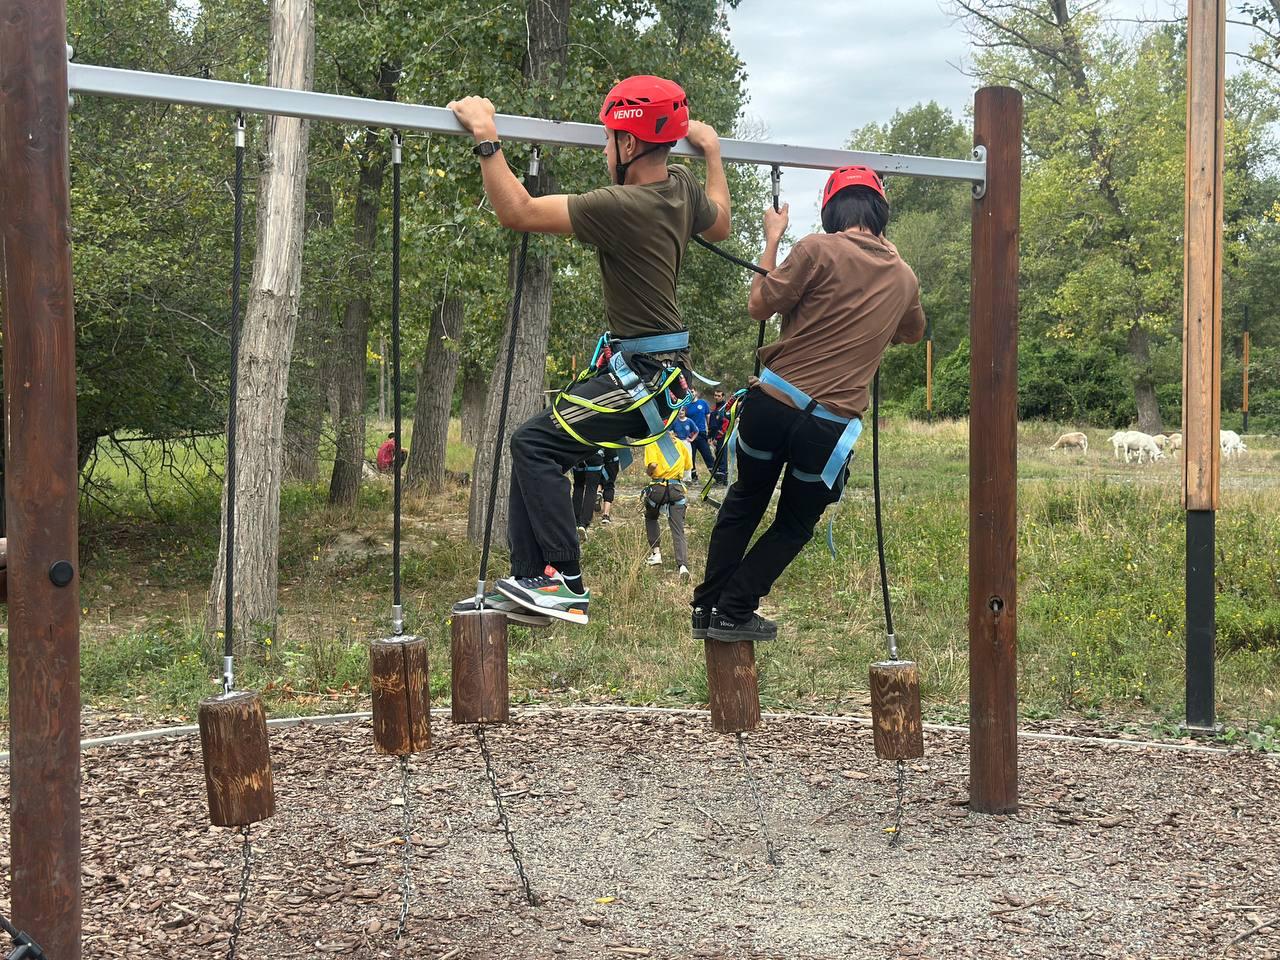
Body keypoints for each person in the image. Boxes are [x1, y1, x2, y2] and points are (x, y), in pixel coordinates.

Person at [447, 76, 731, 625]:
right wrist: (714, 152)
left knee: (533, 444)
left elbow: (519, 213)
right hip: (652, 370)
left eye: (607, 140)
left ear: (628, 145)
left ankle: (564, 580)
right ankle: (533, 578)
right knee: (535, 443)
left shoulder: (622, 204)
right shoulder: (679, 188)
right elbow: (719, 223)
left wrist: (487, 138)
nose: (603, 150)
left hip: (643, 375)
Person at [692, 166, 925, 643]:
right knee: (795, 524)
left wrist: (772, 238)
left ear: (831, 210)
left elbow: (760, 303)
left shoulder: (816, 249)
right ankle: (733, 609)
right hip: (828, 428)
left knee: (743, 503)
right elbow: (912, 332)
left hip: (773, 404)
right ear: (881, 212)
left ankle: (708, 608)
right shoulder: (904, 277)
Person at [643, 431, 692, 578]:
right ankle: (682, 566)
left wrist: (649, 472)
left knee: (651, 517)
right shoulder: (680, 444)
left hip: (658, 488)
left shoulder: (653, 442)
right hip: (676, 488)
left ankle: (656, 553)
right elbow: (688, 466)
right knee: (678, 529)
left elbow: (652, 464)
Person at [684, 387, 716, 480]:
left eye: (692, 391)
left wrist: (710, 431)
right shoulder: (685, 405)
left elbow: (708, 417)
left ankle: (716, 477)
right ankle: (693, 478)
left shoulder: (703, 403)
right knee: (691, 458)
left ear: (696, 392)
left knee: (708, 456)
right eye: (688, 392)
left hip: (702, 434)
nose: (690, 393)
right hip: (690, 435)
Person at [571, 451, 605, 537]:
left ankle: (574, 521)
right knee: (591, 489)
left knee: (578, 487)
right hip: (595, 453)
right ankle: (583, 524)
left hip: (578, 454)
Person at [707, 388, 731, 484]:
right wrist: (710, 437)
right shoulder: (715, 408)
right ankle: (719, 479)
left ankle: (723, 479)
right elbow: (712, 424)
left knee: (722, 456)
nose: (716, 397)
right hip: (714, 436)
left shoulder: (725, 408)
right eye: (715, 395)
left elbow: (726, 423)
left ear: (723, 396)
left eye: (719, 396)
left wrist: (717, 437)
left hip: (721, 436)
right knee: (717, 456)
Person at [598, 450, 621, 525]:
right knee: (609, 486)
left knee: (597, 481)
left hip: (596, 456)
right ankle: (606, 515)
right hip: (612, 460)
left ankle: (598, 492)